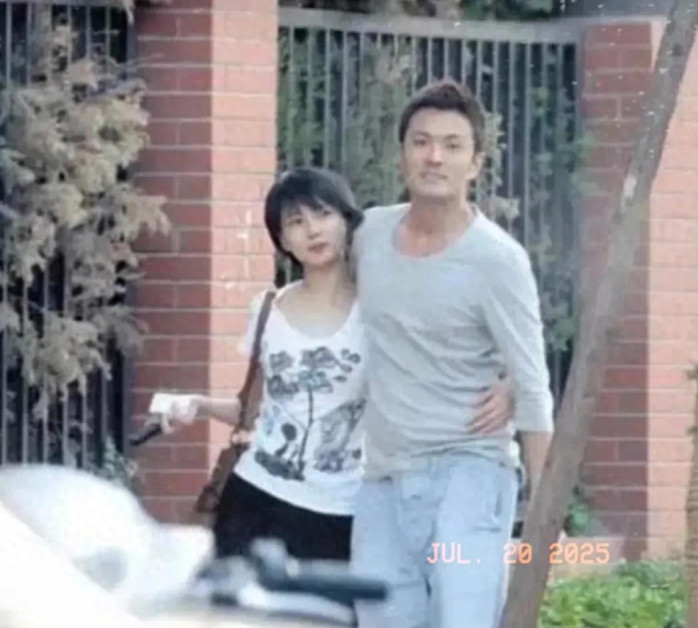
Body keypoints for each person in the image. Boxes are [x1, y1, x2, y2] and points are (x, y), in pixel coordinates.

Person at [155, 166, 513, 564]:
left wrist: (511, 385)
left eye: (323, 214)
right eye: (296, 221)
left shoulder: (381, 313)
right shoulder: (268, 309)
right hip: (253, 500)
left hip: (340, 513)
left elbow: (453, 361)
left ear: (346, 220)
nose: (312, 230)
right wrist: (199, 405)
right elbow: (257, 411)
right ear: (283, 240)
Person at [349, 80, 555, 628]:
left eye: (451, 144)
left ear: (475, 164)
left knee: (463, 617)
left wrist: (545, 515)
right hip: (382, 479)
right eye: (420, 142)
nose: (434, 156)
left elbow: (533, 382)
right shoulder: (368, 234)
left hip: (469, 474)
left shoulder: (496, 260)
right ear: (402, 155)